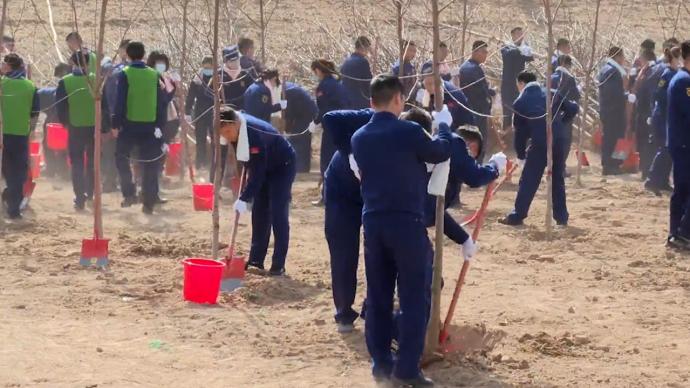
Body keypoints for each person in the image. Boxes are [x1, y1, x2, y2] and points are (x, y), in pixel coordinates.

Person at [350, 74, 452, 386]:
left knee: (379, 295)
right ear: (399, 100)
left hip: (374, 222)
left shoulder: (359, 137)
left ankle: (381, 362)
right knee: (412, 298)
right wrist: (444, 127)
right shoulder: (409, 131)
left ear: (370, 102)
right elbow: (439, 153)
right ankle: (407, 368)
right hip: (406, 224)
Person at [402, 108, 503, 262]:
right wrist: (494, 167)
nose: (470, 159)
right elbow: (474, 177)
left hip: (383, 222)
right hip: (408, 224)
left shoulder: (398, 145)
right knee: (424, 280)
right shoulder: (454, 143)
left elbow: (436, 210)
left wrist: (463, 238)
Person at [218, 108, 296, 276]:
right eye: (224, 134)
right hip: (264, 165)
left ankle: (278, 264)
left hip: (282, 166)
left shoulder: (252, 134)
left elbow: (258, 172)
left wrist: (244, 197)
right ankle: (256, 260)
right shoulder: (236, 128)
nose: (228, 136)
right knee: (259, 212)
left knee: (277, 212)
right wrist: (245, 193)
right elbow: (251, 165)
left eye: (229, 132)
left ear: (236, 124)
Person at [499, 71, 578, 226]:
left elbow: (520, 133)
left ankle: (518, 215)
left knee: (529, 179)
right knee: (557, 178)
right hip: (559, 140)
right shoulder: (553, 93)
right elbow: (573, 109)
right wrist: (561, 123)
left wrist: (521, 155)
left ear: (521, 83)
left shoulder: (520, 102)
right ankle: (562, 218)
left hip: (541, 142)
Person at [321, 108, 373, 333]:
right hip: (341, 191)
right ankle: (344, 311)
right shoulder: (371, 116)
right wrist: (350, 153)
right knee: (343, 251)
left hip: (374, 195)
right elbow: (329, 118)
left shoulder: (410, 136)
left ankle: (372, 307)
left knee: (379, 250)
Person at [112, 41, 169, 214]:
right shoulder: (154, 75)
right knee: (150, 164)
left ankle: (129, 193)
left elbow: (120, 101)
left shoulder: (124, 74)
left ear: (127, 56)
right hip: (150, 126)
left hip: (129, 125)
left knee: (121, 158)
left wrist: (116, 123)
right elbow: (162, 103)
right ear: (144, 55)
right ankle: (149, 202)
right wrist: (160, 125)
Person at [56, 52, 99, 210]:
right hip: (94, 126)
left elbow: (61, 106)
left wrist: (65, 123)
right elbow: (105, 103)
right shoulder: (96, 80)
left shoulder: (65, 82)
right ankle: (90, 193)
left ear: (72, 62)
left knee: (77, 163)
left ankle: (79, 197)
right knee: (93, 163)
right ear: (88, 63)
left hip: (75, 127)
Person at [0, 54, 39, 219]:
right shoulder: (30, 86)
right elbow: (34, 113)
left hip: (3, 134)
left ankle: (10, 197)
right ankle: (14, 207)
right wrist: (32, 130)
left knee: (8, 171)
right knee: (18, 172)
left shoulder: (2, 84)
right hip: (21, 135)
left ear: (8, 66)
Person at [311, 59, 349, 205]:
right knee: (340, 160)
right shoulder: (339, 85)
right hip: (343, 125)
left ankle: (327, 196)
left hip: (331, 126)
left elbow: (324, 109)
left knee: (327, 161)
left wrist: (316, 122)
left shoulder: (324, 86)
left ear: (318, 70)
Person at [646, 43, 681, 194]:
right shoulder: (667, 74)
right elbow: (659, 95)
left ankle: (663, 181)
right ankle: (652, 180)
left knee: (670, 150)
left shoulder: (676, 74)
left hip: (670, 118)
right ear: (674, 59)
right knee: (664, 149)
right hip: (662, 118)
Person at [665, 41, 690, 250]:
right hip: (684, 144)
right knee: (683, 189)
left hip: (682, 143)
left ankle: (676, 234)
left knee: (682, 190)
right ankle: (682, 233)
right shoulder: (684, 82)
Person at [598, 47, 634, 175]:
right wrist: (626, 95)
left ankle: (613, 164)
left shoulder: (606, 69)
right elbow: (612, 92)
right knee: (612, 138)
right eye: (622, 57)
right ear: (617, 57)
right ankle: (610, 165)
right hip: (612, 110)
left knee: (612, 137)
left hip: (609, 110)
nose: (623, 60)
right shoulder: (612, 71)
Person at [459, 40, 495, 162]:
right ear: (475, 52)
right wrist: (488, 98)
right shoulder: (471, 69)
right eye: (483, 52)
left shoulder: (471, 67)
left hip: (475, 110)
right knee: (477, 141)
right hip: (475, 111)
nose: (485, 55)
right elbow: (478, 91)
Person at [416, 62, 474, 130]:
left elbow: (452, 120)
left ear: (439, 81)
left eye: (433, 83)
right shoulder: (425, 94)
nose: (431, 87)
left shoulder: (452, 93)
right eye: (427, 84)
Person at [38, 62, 71, 180]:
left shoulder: (53, 92)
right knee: (60, 147)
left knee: (56, 146)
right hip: (65, 122)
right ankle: (58, 170)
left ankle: (56, 170)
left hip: (59, 123)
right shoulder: (49, 92)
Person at [631, 49, 658, 178]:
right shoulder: (643, 71)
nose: (638, 61)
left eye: (640, 58)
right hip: (641, 111)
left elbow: (650, 92)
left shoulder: (652, 71)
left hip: (647, 111)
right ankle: (644, 169)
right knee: (642, 141)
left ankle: (647, 171)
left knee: (647, 142)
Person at [501, 27, 534, 131]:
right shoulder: (506, 46)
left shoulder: (525, 47)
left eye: (522, 33)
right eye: (518, 34)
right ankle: (506, 134)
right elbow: (507, 55)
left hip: (520, 84)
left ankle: (519, 134)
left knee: (521, 110)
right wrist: (519, 50)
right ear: (513, 35)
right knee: (507, 111)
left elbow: (530, 57)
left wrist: (525, 51)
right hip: (507, 84)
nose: (520, 36)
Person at [185, 56, 215, 170]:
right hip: (200, 112)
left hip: (213, 111)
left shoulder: (218, 77)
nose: (207, 69)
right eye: (205, 66)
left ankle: (213, 165)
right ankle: (200, 164)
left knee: (214, 141)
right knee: (200, 140)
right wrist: (187, 111)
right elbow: (190, 95)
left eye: (209, 66)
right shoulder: (197, 78)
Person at [283, 81, 318, 173]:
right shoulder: (289, 87)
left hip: (305, 115)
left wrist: (287, 128)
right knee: (304, 140)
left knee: (299, 139)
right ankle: (303, 167)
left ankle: (300, 168)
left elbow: (289, 112)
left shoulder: (288, 91)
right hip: (309, 113)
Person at [551, 55, 580, 162]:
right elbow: (575, 96)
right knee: (565, 141)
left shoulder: (551, 77)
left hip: (552, 114)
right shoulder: (569, 79)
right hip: (564, 115)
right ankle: (560, 168)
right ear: (566, 65)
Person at [340, 36, 373, 109]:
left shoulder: (346, 61)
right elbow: (368, 82)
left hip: (346, 101)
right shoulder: (362, 62)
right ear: (364, 48)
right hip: (359, 102)